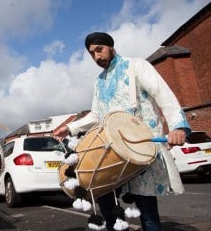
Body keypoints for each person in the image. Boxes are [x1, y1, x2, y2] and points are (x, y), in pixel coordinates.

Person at [53, 32, 191, 231]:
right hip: (110, 152)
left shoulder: (137, 66)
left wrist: (178, 126)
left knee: (147, 211)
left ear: (111, 46)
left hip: (140, 150)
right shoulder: (99, 81)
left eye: (99, 50)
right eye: (92, 54)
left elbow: (162, 93)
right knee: (108, 209)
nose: (97, 57)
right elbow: (95, 114)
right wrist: (70, 127)